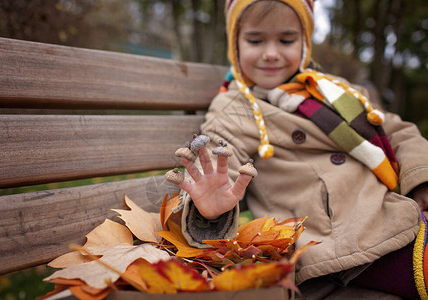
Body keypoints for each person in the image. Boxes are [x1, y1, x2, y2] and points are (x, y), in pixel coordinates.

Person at [166, 0, 428, 298]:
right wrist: (210, 208)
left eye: (287, 40)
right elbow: (216, 150)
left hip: (394, 212)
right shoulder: (235, 107)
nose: (271, 53)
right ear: (235, 45)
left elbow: (396, 131)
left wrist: (421, 178)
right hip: (340, 244)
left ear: (304, 43)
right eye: (255, 40)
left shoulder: (331, 89)